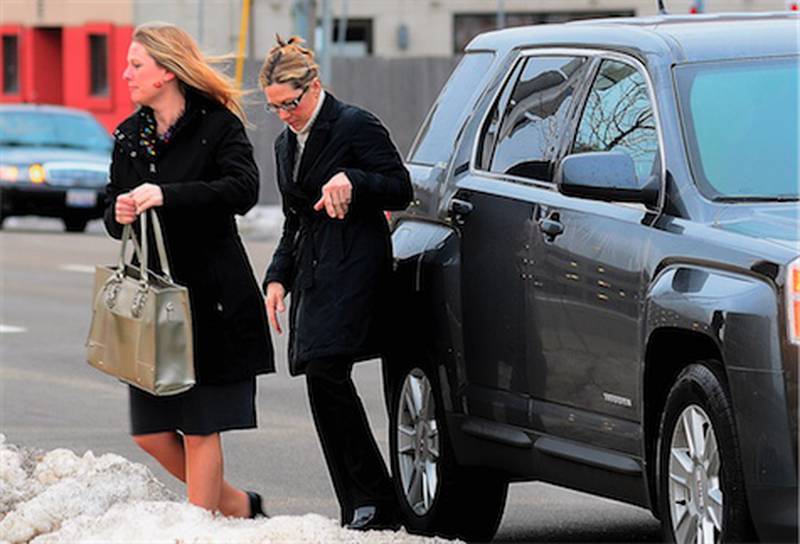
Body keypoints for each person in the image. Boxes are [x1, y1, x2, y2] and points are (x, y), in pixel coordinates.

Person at [103, 22, 274, 518]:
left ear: (167, 70)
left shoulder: (217, 125)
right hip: (153, 305)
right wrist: (117, 212)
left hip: (212, 300)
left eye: (136, 65)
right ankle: (238, 506)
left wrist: (168, 196)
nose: (126, 74)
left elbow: (243, 190)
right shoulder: (130, 135)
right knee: (151, 433)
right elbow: (112, 206)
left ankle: (201, 527)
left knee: (201, 428)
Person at [260, 36, 412, 530]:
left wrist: (353, 178)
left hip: (357, 269)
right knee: (320, 380)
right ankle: (359, 504)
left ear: (315, 87)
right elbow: (293, 220)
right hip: (314, 274)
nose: (284, 114)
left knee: (326, 370)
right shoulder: (287, 145)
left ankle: (375, 498)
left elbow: (400, 187)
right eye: (275, 106)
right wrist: (277, 277)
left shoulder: (353, 124)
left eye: (290, 102)